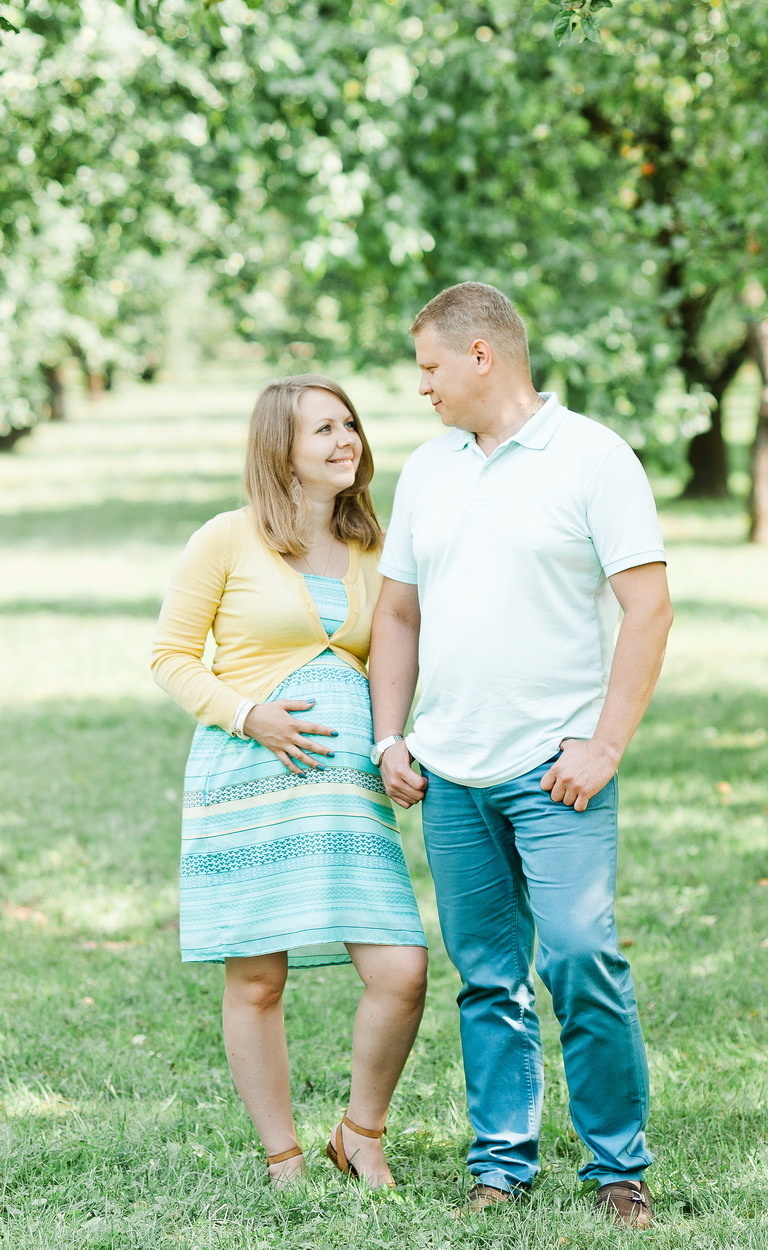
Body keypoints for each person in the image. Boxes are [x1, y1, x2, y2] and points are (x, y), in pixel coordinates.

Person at [369, 284, 673, 1226]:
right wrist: (390, 735)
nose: (422, 386)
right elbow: (398, 614)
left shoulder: (594, 457)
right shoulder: (427, 469)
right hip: (451, 773)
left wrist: (605, 743)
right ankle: (500, 1164)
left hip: (556, 770)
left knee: (580, 957)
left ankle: (618, 1167)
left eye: (430, 367)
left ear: (481, 356)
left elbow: (649, 608)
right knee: (487, 976)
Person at [151, 375, 427, 1189]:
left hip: (347, 791)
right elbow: (170, 656)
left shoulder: (377, 548)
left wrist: (394, 742)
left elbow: (396, 654)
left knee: (401, 971)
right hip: (249, 781)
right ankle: (284, 1157)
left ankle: (359, 1134)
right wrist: (249, 716)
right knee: (258, 978)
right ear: (282, 449)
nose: (346, 440)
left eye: (349, 424)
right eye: (323, 430)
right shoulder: (226, 538)